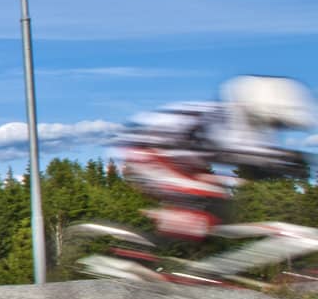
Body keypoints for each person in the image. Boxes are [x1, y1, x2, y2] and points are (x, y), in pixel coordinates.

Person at [116, 75, 314, 242]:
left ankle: (183, 260)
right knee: (204, 197)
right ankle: (140, 255)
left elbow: (250, 158)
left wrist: (281, 162)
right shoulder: (224, 117)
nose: (276, 129)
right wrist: (285, 160)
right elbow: (234, 150)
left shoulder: (244, 120)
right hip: (148, 153)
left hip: (173, 157)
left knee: (218, 209)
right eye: (277, 123)